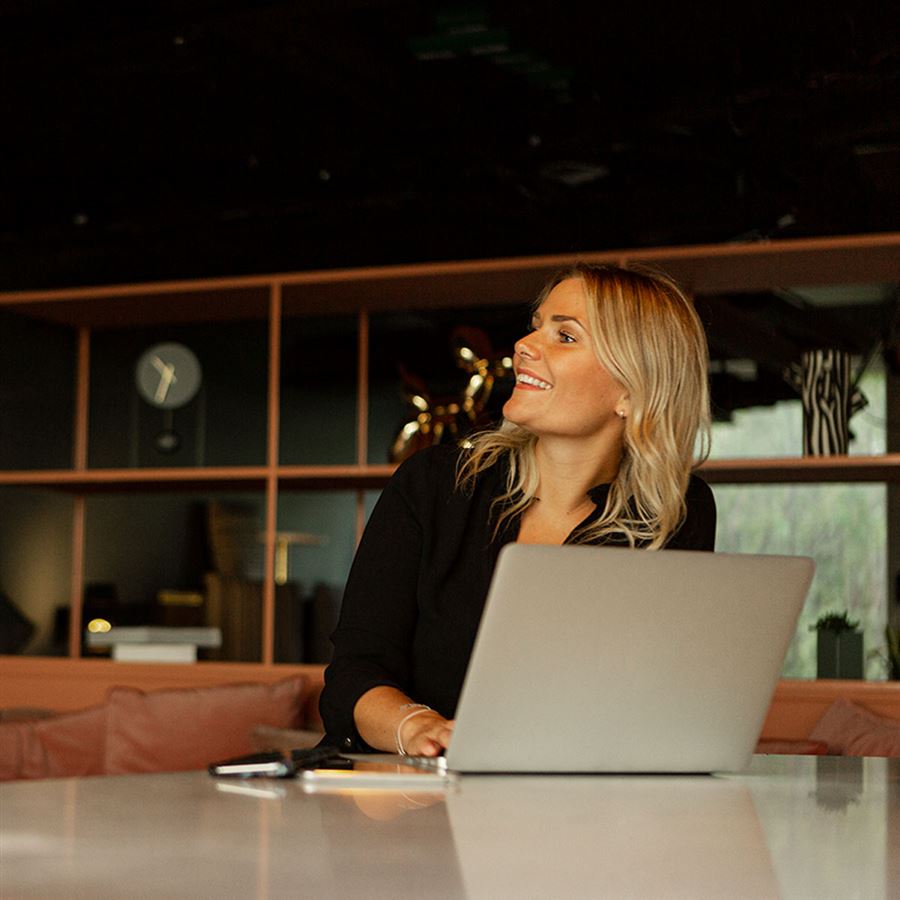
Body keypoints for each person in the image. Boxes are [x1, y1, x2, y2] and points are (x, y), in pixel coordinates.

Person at [320, 263, 716, 756]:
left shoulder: (674, 511)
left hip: (577, 808)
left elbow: (654, 696)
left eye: (565, 336)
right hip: (403, 801)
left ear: (631, 392)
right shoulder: (434, 485)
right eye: (536, 326)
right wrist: (418, 729)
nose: (525, 346)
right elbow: (354, 674)